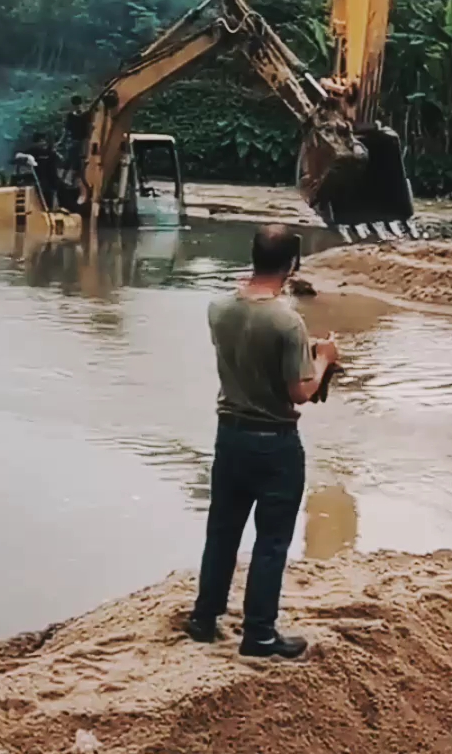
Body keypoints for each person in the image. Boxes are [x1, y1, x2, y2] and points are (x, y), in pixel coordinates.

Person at [187, 224, 339, 659]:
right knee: (271, 540)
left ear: (252, 256)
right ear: (291, 266)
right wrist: (324, 358)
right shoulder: (288, 321)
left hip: (229, 437)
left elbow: (249, 341)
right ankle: (259, 634)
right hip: (274, 444)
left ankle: (204, 616)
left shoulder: (218, 308)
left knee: (222, 530)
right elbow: (299, 392)